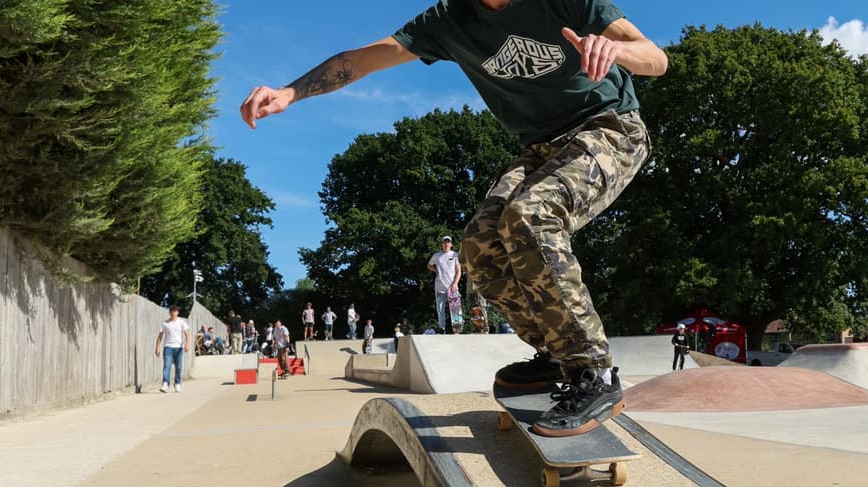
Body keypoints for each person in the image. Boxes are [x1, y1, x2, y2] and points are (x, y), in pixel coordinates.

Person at [240, 0, 666, 437]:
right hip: (540, 148)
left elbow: (656, 58)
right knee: (479, 248)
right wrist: (290, 92)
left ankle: (592, 370)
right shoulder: (448, 19)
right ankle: (556, 352)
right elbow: (361, 60)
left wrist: (616, 51)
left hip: (610, 128)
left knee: (530, 216)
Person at [428, 235, 462, 334]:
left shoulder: (455, 255)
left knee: (455, 309)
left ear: (451, 244)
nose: (446, 244)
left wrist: (455, 283)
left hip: (452, 287)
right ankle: (442, 328)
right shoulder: (437, 255)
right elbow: (429, 265)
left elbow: (458, 271)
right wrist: (435, 270)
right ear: (442, 244)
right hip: (440, 287)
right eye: (445, 242)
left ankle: (457, 329)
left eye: (448, 242)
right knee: (440, 309)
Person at [154, 305, 191, 393]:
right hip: (168, 347)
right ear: (169, 312)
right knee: (167, 365)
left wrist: (187, 345)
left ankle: (177, 384)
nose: (173, 313)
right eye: (172, 311)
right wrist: (157, 348)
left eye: (175, 311)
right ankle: (165, 384)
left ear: (177, 313)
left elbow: (187, 334)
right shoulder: (165, 323)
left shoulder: (182, 322)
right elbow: (160, 336)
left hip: (179, 348)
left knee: (179, 367)